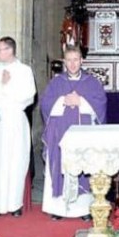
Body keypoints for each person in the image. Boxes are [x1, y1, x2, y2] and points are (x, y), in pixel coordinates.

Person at [40, 46, 106, 221]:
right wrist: (63, 100)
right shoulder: (56, 82)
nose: (73, 64)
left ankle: (84, 208)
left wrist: (81, 101)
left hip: (84, 134)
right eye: (69, 60)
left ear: (82, 61)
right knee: (60, 164)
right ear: (64, 62)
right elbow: (45, 105)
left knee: (84, 165)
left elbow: (100, 104)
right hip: (60, 134)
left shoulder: (91, 82)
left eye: (76, 59)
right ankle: (59, 208)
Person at [0, 37, 37, 217]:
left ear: (10, 50)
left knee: (15, 161)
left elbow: (28, 95)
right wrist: (1, 85)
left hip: (14, 120)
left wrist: (4, 93)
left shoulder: (24, 70)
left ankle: (14, 204)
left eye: (0, 49)